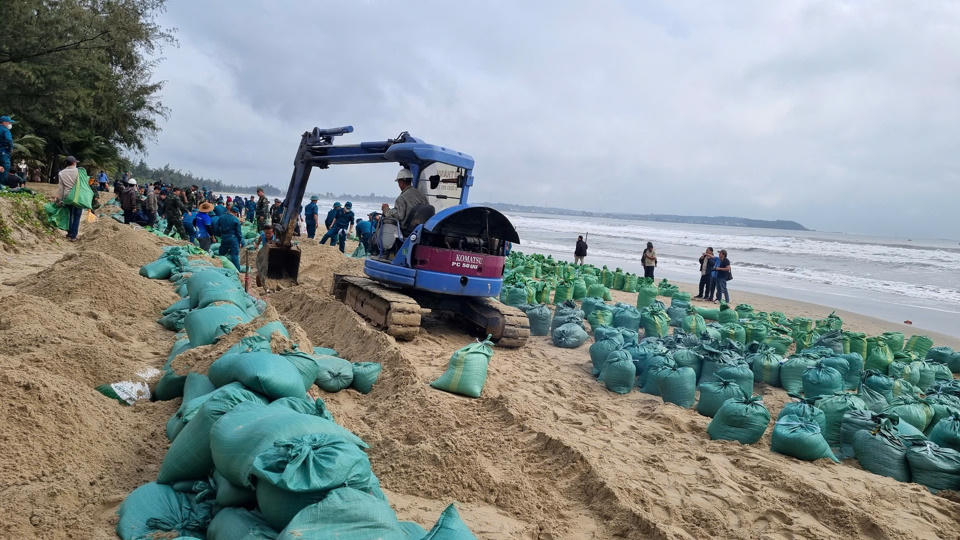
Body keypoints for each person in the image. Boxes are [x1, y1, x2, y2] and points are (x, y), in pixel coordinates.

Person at [55, 156, 83, 241]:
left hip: (67, 196)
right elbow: (83, 186)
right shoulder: (79, 172)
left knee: (69, 214)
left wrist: (59, 199)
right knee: (77, 216)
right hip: (78, 196)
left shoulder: (61, 173)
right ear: (74, 163)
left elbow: (61, 188)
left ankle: (69, 234)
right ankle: (73, 236)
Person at [218, 207, 244, 272]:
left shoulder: (221, 217)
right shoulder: (235, 220)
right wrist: (240, 241)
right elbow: (239, 233)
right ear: (236, 213)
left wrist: (221, 235)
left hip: (224, 238)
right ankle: (237, 271)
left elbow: (218, 227)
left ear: (230, 210)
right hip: (233, 238)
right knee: (234, 255)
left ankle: (219, 266)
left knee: (221, 253)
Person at [0, 115, 14, 188]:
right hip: (4, 152)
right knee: (5, 167)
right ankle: (1, 185)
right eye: (9, 122)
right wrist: (10, 148)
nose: (10, 124)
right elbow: (9, 140)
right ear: (4, 122)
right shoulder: (5, 130)